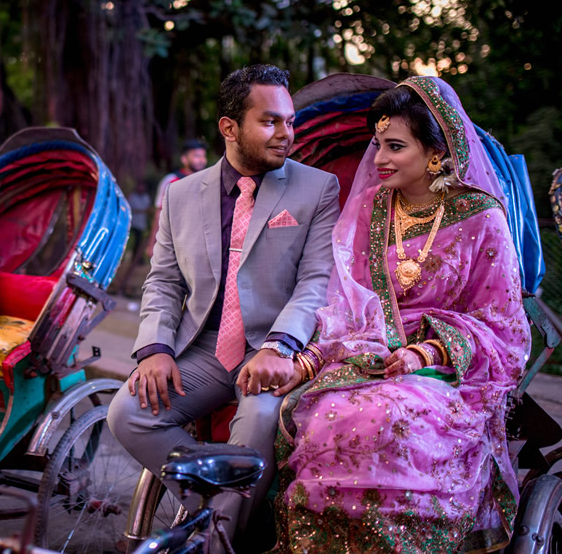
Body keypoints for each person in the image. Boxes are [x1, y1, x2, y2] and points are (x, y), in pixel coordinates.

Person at [272, 77, 530, 553]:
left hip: (448, 371)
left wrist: (427, 351)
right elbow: (343, 301)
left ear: (436, 152)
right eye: (377, 145)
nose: (379, 159)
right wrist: (306, 361)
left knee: (394, 416)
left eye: (395, 146)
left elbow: (505, 326)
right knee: (327, 416)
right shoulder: (371, 209)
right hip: (365, 354)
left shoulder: (481, 218)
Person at [107, 64, 341, 546]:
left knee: (257, 417)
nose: (286, 134)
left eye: (290, 121)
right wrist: (154, 348)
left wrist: (280, 345)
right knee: (126, 413)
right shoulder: (180, 195)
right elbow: (165, 281)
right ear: (229, 128)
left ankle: (217, 542)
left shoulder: (317, 189)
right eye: (270, 121)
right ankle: (219, 513)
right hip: (207, 348)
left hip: (279, 347)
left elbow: (317, 280)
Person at [145, 139, 208, 258]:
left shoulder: (209, 181)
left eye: (203, 156)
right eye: (196, 156)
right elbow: (160, 213)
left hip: (202, 245)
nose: (201, 160)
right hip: (175, 244)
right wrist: (152, 244)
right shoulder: (171, 181)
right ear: (184, 159)